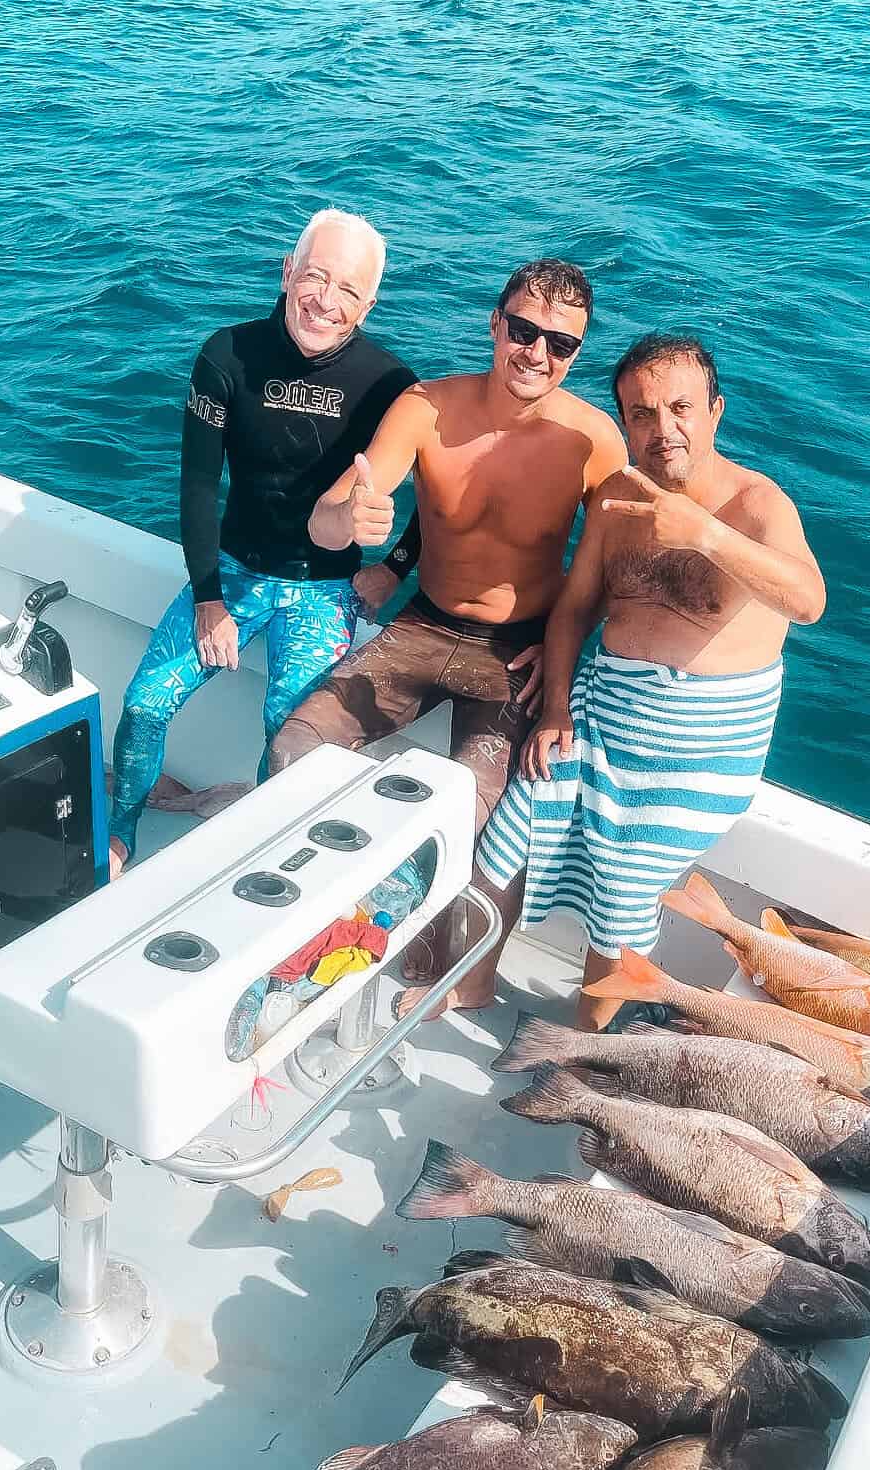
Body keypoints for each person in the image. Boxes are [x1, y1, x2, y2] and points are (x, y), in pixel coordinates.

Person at [268, 258, 627, 999]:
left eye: (560, 345)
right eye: (524, 331)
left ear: (576, 354)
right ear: (495, 325)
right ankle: (317, 917)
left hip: (516, 650)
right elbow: (332, 514)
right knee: (292, 747)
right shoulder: (427, 407)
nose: (537, 354)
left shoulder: (594, 443)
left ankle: (439, 969)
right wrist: (350, 520)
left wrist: (563, 651)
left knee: (476, 809)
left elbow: (611, 572)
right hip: (425, 625)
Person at [459, 333, 826, 1029]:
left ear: (716, 411)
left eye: (680, 409)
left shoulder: (758, 507)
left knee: (624, 888)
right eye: (641, 415)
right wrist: (557, 710)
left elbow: (809, 601)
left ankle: (586, 1043)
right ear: (624, 423)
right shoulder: (620, 498)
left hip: (704, 741)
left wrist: (705, 535)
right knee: (508, 835)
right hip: (603, 711)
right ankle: (468, 984)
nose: (663, 430)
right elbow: (571, 612)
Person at [107, 209, 420, 877]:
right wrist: (208, 598)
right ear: (287, 272)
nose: (325, 302)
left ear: (369, 304)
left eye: (348, 290)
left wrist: (392, 565)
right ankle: (120, 830)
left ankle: (253, 859)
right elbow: (196, 486)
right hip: (232, 571)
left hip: (323, 590)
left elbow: (444, 502)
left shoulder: (393, 385)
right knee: (143, 703)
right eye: (314, 277)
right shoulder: (228, 355)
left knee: (288, 737)